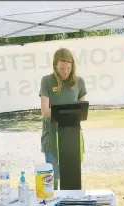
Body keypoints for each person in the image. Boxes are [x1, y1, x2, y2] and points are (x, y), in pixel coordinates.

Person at [39, 48, 87, 190]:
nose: (65, 72)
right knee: (52, 177)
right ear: (55, 66)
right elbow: (44, 111)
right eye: (61, 68)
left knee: (72, 178)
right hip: (53, 135)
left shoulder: (79, 82)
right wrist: (65, 112)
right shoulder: (47, 81)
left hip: (72, 135)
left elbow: (81, 111)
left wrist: (65, 113)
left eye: (68, 68)